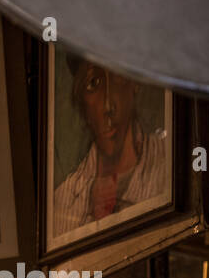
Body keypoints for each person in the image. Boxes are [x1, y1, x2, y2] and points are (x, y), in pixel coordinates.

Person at [52, 57, 169, 236]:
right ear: (81, 99)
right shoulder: (63, 203)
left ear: (135, 84)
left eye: (119, 78)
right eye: (93, 83)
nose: (108, 105)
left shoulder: (170, 164)